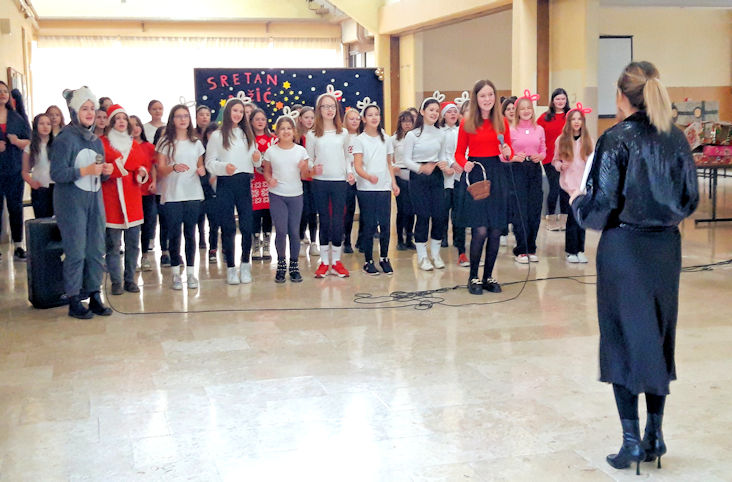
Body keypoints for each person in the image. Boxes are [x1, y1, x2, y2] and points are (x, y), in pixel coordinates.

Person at [571, 61, 698, 475]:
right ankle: (654, 435)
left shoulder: (615, 139)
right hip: (665, 250)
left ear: (621, 96)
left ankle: (630, 442)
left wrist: (577, 203)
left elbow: (601, 206)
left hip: (624, 249)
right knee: (657, 338)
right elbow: (690, 199)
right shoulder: (676, 138)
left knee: (622, 340)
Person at [49, 86, 113, 318]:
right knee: (76, 252)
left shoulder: (96, 141)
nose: (89, 113)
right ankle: (74, 298)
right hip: (71, 203)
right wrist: (85, 170)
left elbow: (98, 172)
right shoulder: (65, 139)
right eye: (84, 109)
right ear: (75, 111)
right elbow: (57, 174)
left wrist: (105, 171)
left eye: (92, 109)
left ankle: (94, 294)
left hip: (94, 201)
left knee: (96, 250)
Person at [454, 79, 513, 295]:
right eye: (482, 96)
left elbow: (509, 152)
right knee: (479, 230)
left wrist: (508, 152)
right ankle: (473, 277)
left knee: (495, 230)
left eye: (490, 95)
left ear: (495, 97)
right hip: (477, 174)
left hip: (497, 174)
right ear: (476, 99)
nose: (487, 99)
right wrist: (464, 163)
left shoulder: (502, 122)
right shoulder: (467, 123)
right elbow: (459, 153)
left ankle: (488, 276)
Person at [205, 98, 261, 285]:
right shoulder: (217, 135)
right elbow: (209, 162)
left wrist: (257, 159)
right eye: (234, 110)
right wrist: (223, 167)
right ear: (228, 112)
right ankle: (230, 267)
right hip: (226, 184)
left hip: (244, 184)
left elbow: (256, 162)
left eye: (241, 111)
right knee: (228, 227)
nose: (238, 114)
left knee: (247, 226)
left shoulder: (247, 134)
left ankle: (245, 265)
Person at [156, 104, 206, 290]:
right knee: (174, 234)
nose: (183, 119)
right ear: (172, 119)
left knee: (190, 233)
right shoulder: (165, 142)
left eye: (186, 116)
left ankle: (191, 273)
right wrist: (173, 167)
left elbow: (200, 165)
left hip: (192, 193)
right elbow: (160, 170)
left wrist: (202, 170)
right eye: (179, 116)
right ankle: (176, 273)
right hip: (172, 194)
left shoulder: (196, 142)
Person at [100, 104, 148, 294]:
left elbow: (141, 166)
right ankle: (116, 282)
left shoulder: (133, 144)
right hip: (111, 199)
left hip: (132, 199)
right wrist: (113, 170)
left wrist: (141, 172)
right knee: (113, 245)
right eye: (117, 118)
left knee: (133, 244)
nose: (121, 122)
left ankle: (130, 280)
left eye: (124, 119)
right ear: (111, 122)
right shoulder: (102, 143)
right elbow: (102, 169)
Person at [306, 91, 353, 278]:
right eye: (325, 106)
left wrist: (349, 172)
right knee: (324, 220)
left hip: (339, 182)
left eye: (332, 106)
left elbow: (347, 157)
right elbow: (309, 159)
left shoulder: (344, 133)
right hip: (320, 183)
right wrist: (313, 168)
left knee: (338, 221)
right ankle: (325, 262)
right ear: (319, 109)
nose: (329, 110)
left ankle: (337, 261)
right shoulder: (312, 134)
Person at [403, 94, 451, 271]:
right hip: (419, 177)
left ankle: (436, 254)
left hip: (436, 176)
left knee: (439, 215)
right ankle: (422, 256)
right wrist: (421, 168)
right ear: (422, 112)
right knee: (422, 216)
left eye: (437, 110)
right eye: (431, 110)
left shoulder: (441, 134)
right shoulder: (412, 135)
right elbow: (406, 160)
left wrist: (444, 164)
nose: (434, 113)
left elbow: (443, 155)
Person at [353, 103, 399, 275]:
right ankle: (368, 260)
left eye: (376, 114)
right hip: (366, 188)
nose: (374, 118)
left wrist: (393, 183)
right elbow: (357, 166)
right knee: (369, 225)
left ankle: (384, 258)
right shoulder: (359, 140)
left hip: (384, 187)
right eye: (370, 115)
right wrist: (368, 177)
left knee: (385, 224)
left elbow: (389, 163)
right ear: (364, 119)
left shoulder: (386, 139)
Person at [262, 115, 309, 283]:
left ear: (294, 131)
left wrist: (304, 168)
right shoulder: (271, 151)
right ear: (277, 132)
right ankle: (281, 264)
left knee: (294, 232)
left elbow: (305, 175)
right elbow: (266, 171)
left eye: (289, 128)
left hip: (296, 195)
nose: (286, 131)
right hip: (277, 195)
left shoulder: (301, 151)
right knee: (281, 231)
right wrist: (269, 180)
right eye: (282, 128)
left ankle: (294, 266)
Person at [552, 103, 594, 263]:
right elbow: (555, 160)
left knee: (581, 219)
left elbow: (593, 163)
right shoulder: (561, 140)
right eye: (573, 119)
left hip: (582, 188)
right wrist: (559, 165)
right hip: (567, 186)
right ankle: (571, 251)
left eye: (579, 119)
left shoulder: (588, 141)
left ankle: (580, 250)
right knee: (571, 219)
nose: (576, 122)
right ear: (568, 122)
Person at [509, 92, 545, 264]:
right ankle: (521, 249)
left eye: (528, 108)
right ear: (517, 111)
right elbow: (503, 154)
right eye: (522, 108)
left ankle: (531, 247)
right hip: (518, 170)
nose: (526, 111)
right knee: (520, 210)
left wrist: (541, 156)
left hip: (535, 169)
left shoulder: (539, 129)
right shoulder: (511, 130)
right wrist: (514, 157)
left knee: (534, 209)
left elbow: (543, 149)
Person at [0, 80, 31, 261]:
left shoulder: (17, 117)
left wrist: (17, 142)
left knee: (15, 207)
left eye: (5, 91)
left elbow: (29, 140)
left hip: (14, 168)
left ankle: (18, 245)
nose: (2, 94)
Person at [538, 88, 570, 231]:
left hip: (567, 159)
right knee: (554, 187)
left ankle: (564, 221)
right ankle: (550, 220)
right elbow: (537, 136)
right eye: (557, 99)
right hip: (550, 158)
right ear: (552, 101)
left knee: (565, 189)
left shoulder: (570, 116)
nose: (560, 101)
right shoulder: (544, 117)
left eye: (563, 99)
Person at [130, 115, 157, 271]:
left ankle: (145, 255)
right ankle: (132, 257)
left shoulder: (149, 147)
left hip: (147, 191)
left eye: (137, 124)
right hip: (131, 191)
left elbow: (153, 166)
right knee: (132, 227)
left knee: (147, 223)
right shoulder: (125, 146)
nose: (135, 128)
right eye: (131, 125)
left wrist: (154, 182)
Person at [250, 108, 274, 261]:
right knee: (255, 214)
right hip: (253, 182)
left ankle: (266, 245)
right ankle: (255, 244)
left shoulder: (273, 139)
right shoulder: (247, 140)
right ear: (251, 121)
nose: (260, 122)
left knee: (267, 214)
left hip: (268, 182)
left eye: (263, 119)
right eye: (257, 119)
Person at [390, 110, 416, 251]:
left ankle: (409, 238)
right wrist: (393, 168)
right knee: (402, 209)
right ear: (400, 123)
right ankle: (400, 239)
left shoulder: (416, 138)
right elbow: (389, 159)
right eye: (404, 121)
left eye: (410, 121)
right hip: (400, 175)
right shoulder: (394, 139)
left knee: (412, 209)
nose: (407, 124)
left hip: (413, 176)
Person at [22, 113, 55, 219]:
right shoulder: (30, 147)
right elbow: (24, 171)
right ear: (36, 126)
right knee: (42, 220)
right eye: (41, 123)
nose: (45, 126)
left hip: (57, 187)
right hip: (40, 188)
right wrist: (32, 183)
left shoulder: (58, 145)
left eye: (48, 124)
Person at [296, 106, 319, 257]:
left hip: (314, 178)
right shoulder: (295, 137)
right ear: (300, 119)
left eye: (312, 117)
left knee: (313, 211)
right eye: (306, 117)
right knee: (302, 210)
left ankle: (314, 242)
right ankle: (299, 239)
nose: (309, 120)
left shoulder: (317, 136)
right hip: (299, 179)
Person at [439, 101, 460, 253]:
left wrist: (458, 164)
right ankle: (443, 237)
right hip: (444, 173)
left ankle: (458, 238)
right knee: (444, 209)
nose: (453, 114)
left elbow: (465, 149)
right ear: (443, 115)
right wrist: (448, 165)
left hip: (460, 172)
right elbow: (440, 152)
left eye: (455, 111)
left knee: (458, 210)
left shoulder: (461, 131)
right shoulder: (440, 132)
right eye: (449, 112)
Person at [342, 108, 362, 253]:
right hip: (347, 179)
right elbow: (343, 158)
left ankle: (361, 240)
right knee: (349, 211)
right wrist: (349, 173)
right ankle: (347, 240)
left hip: (362, 178)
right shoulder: (343, 136)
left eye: (357, 119)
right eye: (351, 118)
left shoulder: (363, 137)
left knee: (365, 210)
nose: (355, 121)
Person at [194, 105, 212, 250]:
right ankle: (201, 236)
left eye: (207, 114)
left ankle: (213, 237)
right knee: (200, 208)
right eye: (201, 114)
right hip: (197, 174)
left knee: (212, 208)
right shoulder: (192, 134)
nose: (204, 117)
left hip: (213, 174)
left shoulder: (215, 133)